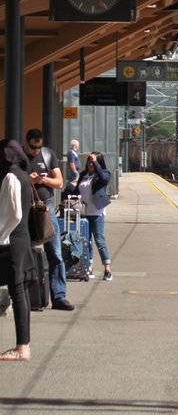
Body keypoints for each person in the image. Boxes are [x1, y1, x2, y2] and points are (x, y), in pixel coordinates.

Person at [24, 129, 72, 311]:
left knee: (55, 251)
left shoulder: (47, 155)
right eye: (32, 147)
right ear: (26, 143)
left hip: (45, 207)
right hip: (25, 207)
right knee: (26, 251)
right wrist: (28, 180)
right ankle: (31, 297)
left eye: (38, 147)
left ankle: (59, 297)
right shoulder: (20, 157)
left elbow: (59, 182)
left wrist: (42, 180)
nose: (36, 150)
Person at [1, 139, 37, 361]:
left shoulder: (11, 177)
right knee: (20, 291)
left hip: (11, 240)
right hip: (22, 239)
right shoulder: (23, 175)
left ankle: (22, 348)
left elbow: (14, 214)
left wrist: (2, 233)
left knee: (17, 292)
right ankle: (23, 346)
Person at [76, 151, 113, 281]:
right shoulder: (84, 175)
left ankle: (107, 268)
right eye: (89, 162)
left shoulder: (104, 173)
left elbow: (104, 179)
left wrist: (96, 162)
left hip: (97, 212)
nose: (90, 164)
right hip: (84, 213)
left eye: (93, 162)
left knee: (99, 240)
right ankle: (89, 267)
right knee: (86, 241)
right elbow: (76, 190)